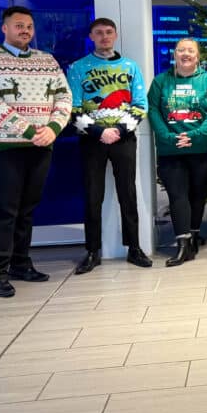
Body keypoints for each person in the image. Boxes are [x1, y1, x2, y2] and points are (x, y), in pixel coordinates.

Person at [0, 5, 72, 297]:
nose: (24, 30)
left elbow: (64, 97)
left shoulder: (46, 61)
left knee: (26, 209)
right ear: (4, 28)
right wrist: (28, 130)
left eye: (28, 26)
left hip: (40, 144)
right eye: (18, 25)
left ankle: (21, 264)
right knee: (4, 210)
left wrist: (53, 128)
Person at [67, 17, 151, 274]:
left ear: (115, 35)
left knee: (128, 192)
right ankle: (92, 251)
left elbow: (140, 104)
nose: (104, 37)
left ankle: (134, 248)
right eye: (99, 33)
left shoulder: (130, 67)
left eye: (109, 32)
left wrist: (119, 130)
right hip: (92, 140)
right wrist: (98, 132)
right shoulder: (78, 68)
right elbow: (72, 108)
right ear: (91, 36)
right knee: (93, 195)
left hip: (123, 138)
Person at [147, 37, 207, 267]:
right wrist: (169, 137)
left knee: (197, 193)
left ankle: (194, 234)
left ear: (198, 56)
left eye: (191, 50)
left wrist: (195, 135)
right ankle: (183, 245)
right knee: (178, 194)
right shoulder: (161, 82)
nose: (186, 54)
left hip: (200, 147)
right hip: (171, 150)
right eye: (181, 50)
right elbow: (153, 110)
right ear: (175, 54)